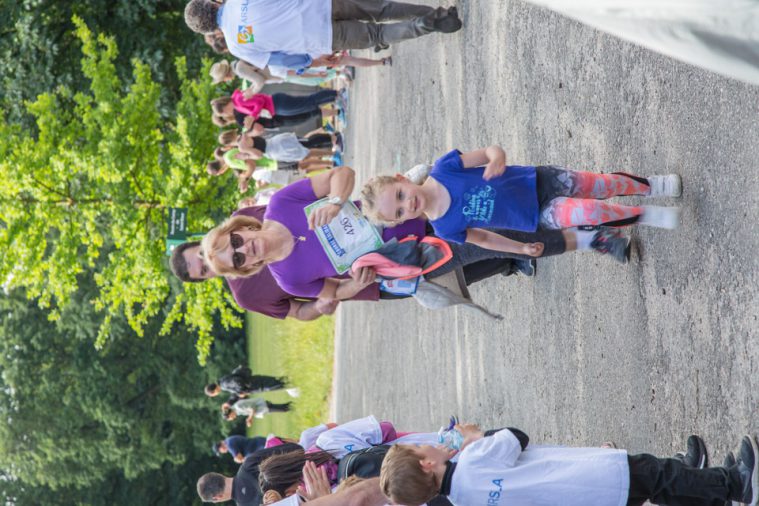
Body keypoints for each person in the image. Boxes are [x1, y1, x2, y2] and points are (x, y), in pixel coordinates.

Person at [361, 146, 682, 256]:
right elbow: (484, 238)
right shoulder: (444, 227)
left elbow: (488, 153)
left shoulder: (445, 167)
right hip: (535, 215)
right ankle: (643, 214)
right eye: (400, 211)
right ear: (400, 222)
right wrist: (520, 249)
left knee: (599, 185)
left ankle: (648, 186)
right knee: (591, 211)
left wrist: (497, 155)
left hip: (536, 179)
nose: (408, 205)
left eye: (401, 195)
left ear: (402, 179)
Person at [379, 424, 758, 506]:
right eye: (422, 447)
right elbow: (516, 436)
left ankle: (710, 490)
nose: (429, 443)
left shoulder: (465, 503)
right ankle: (736, 484)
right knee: (660, 475)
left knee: (659, 487)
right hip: (592, 476)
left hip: (587, 500)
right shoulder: (472, 458)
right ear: (428, 464)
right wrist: (476, 437)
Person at [184, 0, 462, 78]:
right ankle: (436, 14)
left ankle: (425, 25)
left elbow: (279, 59)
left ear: (210, 32)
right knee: (381, 9)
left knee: (377, 34)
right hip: (320, 5)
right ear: (211, 3)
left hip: (320, 38)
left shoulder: (236, 46)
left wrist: (312, 61)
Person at [197, 443, 302, 504]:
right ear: (220, 475)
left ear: (217, 498)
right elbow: (296, 449)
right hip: (311, 467)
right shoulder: (250, 463)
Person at [205, 364, 299, 398]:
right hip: (253, 381)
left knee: (272, 385)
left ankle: (293, 385)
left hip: (253, 384)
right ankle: (292, 380)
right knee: (273, 381)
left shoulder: (224, 384)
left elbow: (237, 381)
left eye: (213, 394)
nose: (215, 395)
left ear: (214, 391)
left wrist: (240, 392)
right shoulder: (222, 381)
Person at [222, 396, 292, 427]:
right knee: (283, 408)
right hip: (263, 409)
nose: (232, 419)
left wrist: (249, 419)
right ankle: (294, 405)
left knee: (284, 409)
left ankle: (294, 405)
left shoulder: (238, 407)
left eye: (230, 418)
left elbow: (253, 408)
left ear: (230, 414)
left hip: (263, 405)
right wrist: (249, 418)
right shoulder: (237, 411)